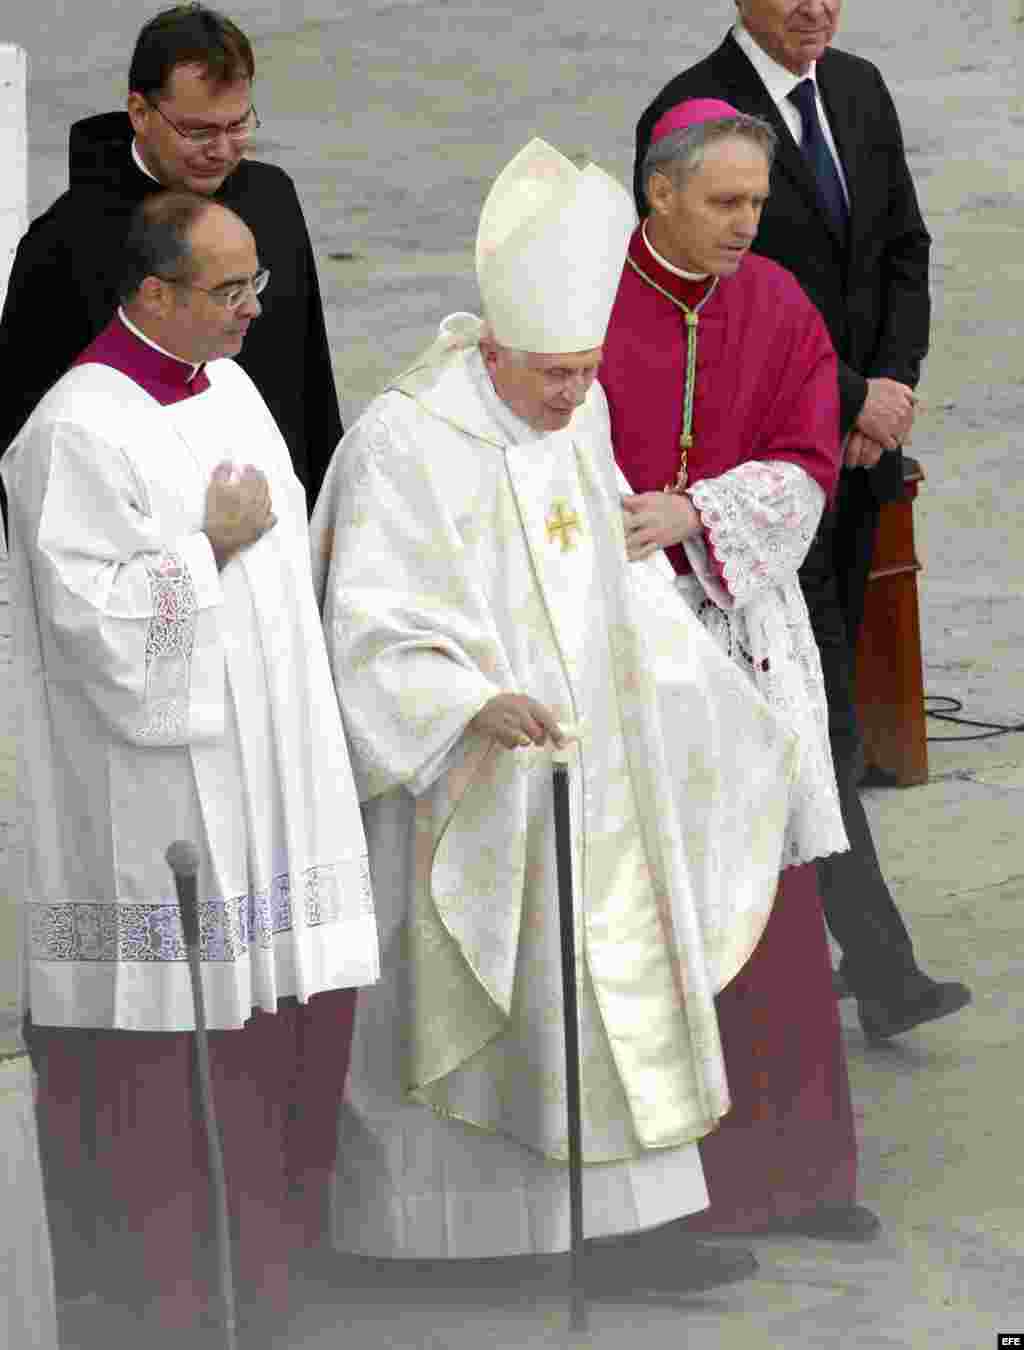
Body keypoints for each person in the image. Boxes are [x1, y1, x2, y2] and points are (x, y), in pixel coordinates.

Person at [311, 138, 804, 1297]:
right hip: (472, 780)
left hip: (596, 770)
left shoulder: (570, 417)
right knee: (494, 999)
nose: (575, 399)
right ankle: (446, 1240)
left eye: (586, 374)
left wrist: (687, 690)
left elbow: (608, 572)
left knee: (620, 979)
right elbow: (370, 620)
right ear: (488, 351)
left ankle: (634, 1225)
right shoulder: (405, 440)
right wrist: (470, 700)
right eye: (550, 378)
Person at [2, 191, 380, 1348]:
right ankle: (163, 1302)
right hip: (152, 805)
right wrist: (201, 549)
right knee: (166, 1059)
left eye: (256, 283)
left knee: (271, 1035)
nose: (254, 309)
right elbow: (92, 633)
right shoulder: (75, 430)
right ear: (151, 294)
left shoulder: (235, 387)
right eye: (229, 290)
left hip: (262, 781)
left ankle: (260, 1280)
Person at [632, 1, 971, 1040]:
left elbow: (902, 248)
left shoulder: (858, 88)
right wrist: (845, 397)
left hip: (855, 461)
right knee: (809, 725)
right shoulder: (690, 117)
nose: (817, 7)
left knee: (829, 713)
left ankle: (844, 953)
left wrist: (890, 390)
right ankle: (879, 968)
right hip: (752, 488)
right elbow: (700, 313)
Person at [603, 97, 877, 1239]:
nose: (745, 225)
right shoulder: (587, 291)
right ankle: (681, 1192)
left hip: (743, 629)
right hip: (625, 633)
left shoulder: (774, 301)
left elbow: (808, 467)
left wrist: (692, 513)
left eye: (757, 202)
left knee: (770, 894)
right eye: (723, 201)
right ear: (658, 192)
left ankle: (799, 1174)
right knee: (657, 900)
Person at [0, 3, 340, 523]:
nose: (223, 150)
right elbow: (27, 441)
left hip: (279, 529)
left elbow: (309, 378)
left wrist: (328, 524)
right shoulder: (65, 244)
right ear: (139, 113)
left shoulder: (273, 200)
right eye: (199, 131)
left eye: (238, 125)